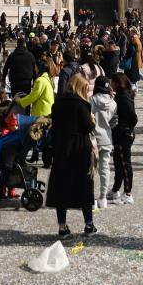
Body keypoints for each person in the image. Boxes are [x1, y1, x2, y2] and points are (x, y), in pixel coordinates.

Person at [46, 72, 98, 238]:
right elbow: (88, 127)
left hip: (61, 148)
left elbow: (55, 127)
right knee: (84, 186)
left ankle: (62, 226)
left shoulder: (58, 103)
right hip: (79, 149)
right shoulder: (81, 105)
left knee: (61, 186)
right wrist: (92, 119)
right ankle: (88, 224)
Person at [107, 71, 137, 205]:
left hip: (124, 134)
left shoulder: (123, 97)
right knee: (118, 162)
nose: (110, 85)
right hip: (119, 133)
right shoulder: (120, 95)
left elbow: (133, 118)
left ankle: (128, 193)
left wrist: (127, 129)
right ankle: (116, 189)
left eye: (112, 82)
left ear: (117, 83)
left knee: (125, 163)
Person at [89, 76, 118, 210]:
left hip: (93, 139)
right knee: (105, 169)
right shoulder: (113, 103)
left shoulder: (91, 100)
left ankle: (90, 198)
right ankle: (103, 197)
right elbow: (114, 122)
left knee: (90, 170)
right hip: (107, 138)